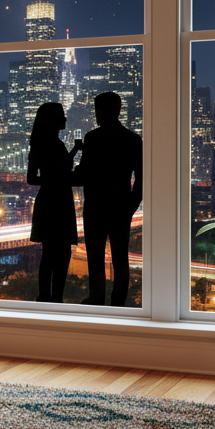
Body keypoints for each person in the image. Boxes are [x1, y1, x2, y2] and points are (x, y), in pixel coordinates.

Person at [73, 92, 143, 306]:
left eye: (97, 110)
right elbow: (141, 178)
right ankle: (119, 302)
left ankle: (96, 298)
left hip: (95, 206)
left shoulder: (93, 138)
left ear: (101, 111)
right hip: (121, 206)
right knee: (121, 259)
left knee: (95, 258)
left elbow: (83, 175)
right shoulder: (133, 139)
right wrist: (131, 206)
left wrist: (71, 168)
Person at [26, 102, 81, 303]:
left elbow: (36, 177)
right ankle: (56, 298)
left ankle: (45, 297)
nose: (66, 119)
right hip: (57, 200)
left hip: (49, 199)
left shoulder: (42, 144)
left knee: (48, 254)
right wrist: (58, 179)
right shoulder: (51, 145)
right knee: (62, 253)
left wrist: (75, 149)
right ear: (53, 120)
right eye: (62, 116)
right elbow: (57, 173)